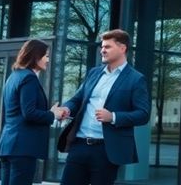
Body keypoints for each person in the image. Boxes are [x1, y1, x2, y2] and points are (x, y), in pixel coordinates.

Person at [59, 29, 151, 185]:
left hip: (106, 150)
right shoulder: (93, 73)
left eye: (108, 47)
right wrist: (66, 109)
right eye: (102, 46)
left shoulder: (136, 79)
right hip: (79, 145)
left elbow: (143, 114)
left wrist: (113, 117)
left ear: (122, 48)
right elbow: (77, 99)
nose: (102, 50)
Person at [0, 39, 68, 185]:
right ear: (36, 56)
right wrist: (52, 115)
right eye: (46, 56)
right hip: (23, 148)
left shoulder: (14, 76)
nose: (48, 60)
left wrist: (49, 113)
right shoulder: (29, 78)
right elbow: (29, 113)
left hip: (8, 145)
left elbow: (20, 111)